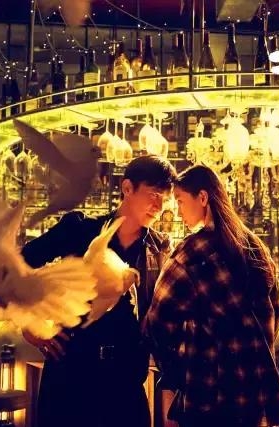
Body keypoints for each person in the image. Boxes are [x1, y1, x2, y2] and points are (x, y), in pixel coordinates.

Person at [21, 155, 177, 427]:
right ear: (127, 188)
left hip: (125, 383)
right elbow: (18, 267)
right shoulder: (80, 230)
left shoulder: (159, 249)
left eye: (165, 199)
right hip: (71, 376)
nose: (159, 206)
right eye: (154, 195)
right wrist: (30, 323)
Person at [144, 165, 279, 427]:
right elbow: (277, 309)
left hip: (208, 395)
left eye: (180, 201)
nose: (177, 211)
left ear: (202, 197)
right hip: (254, 394)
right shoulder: (254, 244)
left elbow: (159, 320)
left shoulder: (191, 251)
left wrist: (177, 369)